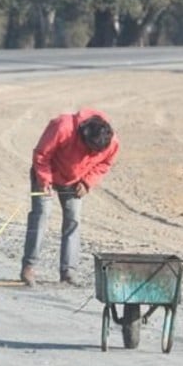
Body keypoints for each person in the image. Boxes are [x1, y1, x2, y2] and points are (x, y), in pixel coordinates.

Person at [20, 109, 119, 287]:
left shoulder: (111, 142)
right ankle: (29, 267)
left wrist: (88, 182)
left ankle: (68, 272)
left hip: (75, 181)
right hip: (46, 173)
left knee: (73, 221)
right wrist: (44, 180)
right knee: (41, 215)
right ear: (82, 136)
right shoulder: (63, 126)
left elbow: (105, 163)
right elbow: (42, 155)